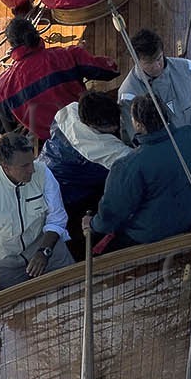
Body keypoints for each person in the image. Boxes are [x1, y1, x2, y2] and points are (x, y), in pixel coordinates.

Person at [86, 95, 191, 251]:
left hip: (152, 235)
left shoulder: (127, 166)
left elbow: (111, 215)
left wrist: (92, 225)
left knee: (109, 247)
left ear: (139, 126)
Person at [0, 132, 74, 293]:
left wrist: (44, 251)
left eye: (32, 161)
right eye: (25, 166)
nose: (32, 169)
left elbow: (57, 218)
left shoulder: (43, 173)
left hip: (45, 245)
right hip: (5, 263)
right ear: (5, 167)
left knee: (74, 283)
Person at [0, 18, 119, 142]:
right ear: (36, 34)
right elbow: (110, 71)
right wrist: (81, 54)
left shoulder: (0, 91)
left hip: (55, 143)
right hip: (88, 127)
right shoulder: (67, 55)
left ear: (12, 46)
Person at [42, 91, 131, 256]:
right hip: (64, 195)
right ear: (95, 126)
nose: (116, 127)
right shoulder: (103, 151)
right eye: (112, 126)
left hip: (46, 167)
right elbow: (133, 162)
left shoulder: (71, 111)